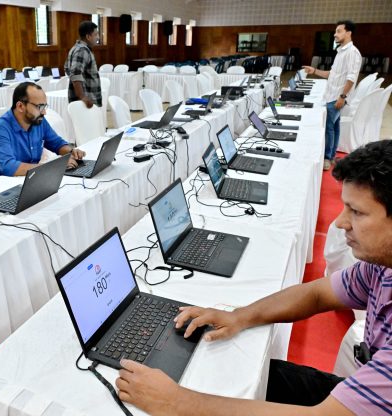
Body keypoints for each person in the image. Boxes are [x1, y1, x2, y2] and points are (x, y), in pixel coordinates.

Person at [116, 139, 392, 415]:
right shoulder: (381, 267)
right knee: (248, 376)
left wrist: (176, 403)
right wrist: (240, 316)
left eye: (357, 212)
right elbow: (317, 294)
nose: (340, 222)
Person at [0, 82, 85, 179]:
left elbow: (56, 143)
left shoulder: (38, 121)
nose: (44, 112)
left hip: (30, 179)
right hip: (4, 185)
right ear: (20, 106)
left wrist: (71, 151)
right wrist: (53, 167)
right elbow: (9, 167)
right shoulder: (0, 129)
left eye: (45, 106)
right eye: (39, 107)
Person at [302, 20, 362, 171]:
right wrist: (314, 71)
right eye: (335, 31)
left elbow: (351, 78)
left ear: (348, 33)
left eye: (339, 31)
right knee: (334, 126)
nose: (335, 34)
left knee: (329, 126)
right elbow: (332, 74)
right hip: (331, 95)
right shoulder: (341, 51)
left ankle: (327, 158)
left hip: (337, 96)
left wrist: (342, 97)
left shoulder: (352, 52)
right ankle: (332, 154)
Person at [65, 21, 101, 108]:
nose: (98, 37)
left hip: (84, 102)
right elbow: (75, 74)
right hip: (85, 103)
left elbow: (67, 69)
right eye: (96, 34)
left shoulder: (76, 48)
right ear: (88, 37)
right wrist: (82, 97)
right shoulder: (82, 50)